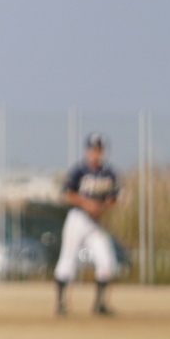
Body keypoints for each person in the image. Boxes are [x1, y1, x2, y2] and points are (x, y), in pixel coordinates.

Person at [55, 132, 121, 315]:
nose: (95, 153)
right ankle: (60, 303)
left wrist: (102, 207)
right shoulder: (79, 171)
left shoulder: (109, 173)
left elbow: (114, 197)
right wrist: (87, 204)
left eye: (98, 150)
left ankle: (99, 305)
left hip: (95, 222)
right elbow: (67, 194)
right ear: (87, 151)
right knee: (67, 259)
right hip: (78, 219)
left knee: (106, 261)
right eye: (92, 149)